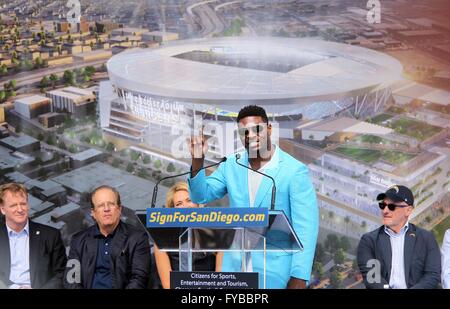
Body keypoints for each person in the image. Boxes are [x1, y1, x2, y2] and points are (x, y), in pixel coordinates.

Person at [188, 105, 319, 289]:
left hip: (274, 269)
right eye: (244, 132)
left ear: (270, 129)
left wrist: (299, 275)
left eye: (257, 129)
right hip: (234, 265)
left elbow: (306, 228)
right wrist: (197, 161)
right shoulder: (231, 164)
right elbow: (201, 196)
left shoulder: (294, 171)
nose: (250, 135)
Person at [64, 185, 151, 289]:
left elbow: (139, 279)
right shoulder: (78, 240)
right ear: (93, 213)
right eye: (100, 205)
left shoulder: (138, 238)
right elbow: (71, 279)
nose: (106, 209)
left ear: (119, 209)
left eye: (111, 204)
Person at [357, 185, 441, 289]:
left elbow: (432, 276)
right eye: (383, 205)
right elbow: (372, 278)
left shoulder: (427, 239)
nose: (385, 211)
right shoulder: (369, 241)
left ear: (408, 210)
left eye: (392, 206)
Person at [0, 183, 67, 289]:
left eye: (23, 204)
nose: (20, 209)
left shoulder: (50, 235)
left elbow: (62, 274)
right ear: (2, 209)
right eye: (13, 205)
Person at [153, 182, 217, 289]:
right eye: (179, 204)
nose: (186, 207)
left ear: (198, 203)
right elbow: (168, 284)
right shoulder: (161, 238)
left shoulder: (216, 233)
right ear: (172, 211)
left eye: (189, 200)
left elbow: (222, 279)